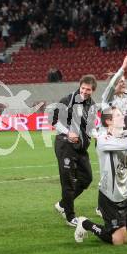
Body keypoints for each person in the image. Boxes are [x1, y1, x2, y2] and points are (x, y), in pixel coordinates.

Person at [74, 107, 127, 245]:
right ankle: (85, 223)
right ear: (109, 121)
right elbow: (125, 145)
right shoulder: (103, 139)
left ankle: (122, 224)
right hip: (111, 199)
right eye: (118, 115)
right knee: (119, 241)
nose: (123, 116)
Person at [51, 75, 98, 227]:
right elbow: (53, 120)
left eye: (88, 89)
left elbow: (90, 127)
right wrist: (67, 132)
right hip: (65, 146)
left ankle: (63, 204)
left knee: (87, 178)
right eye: (83, 88)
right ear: (79, 86)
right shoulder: (68, 100)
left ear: (93, 90)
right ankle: (70, 217)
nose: (84, 91)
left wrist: (98, 135)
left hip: (81, 147)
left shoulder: (92, 105)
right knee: (68, 182)